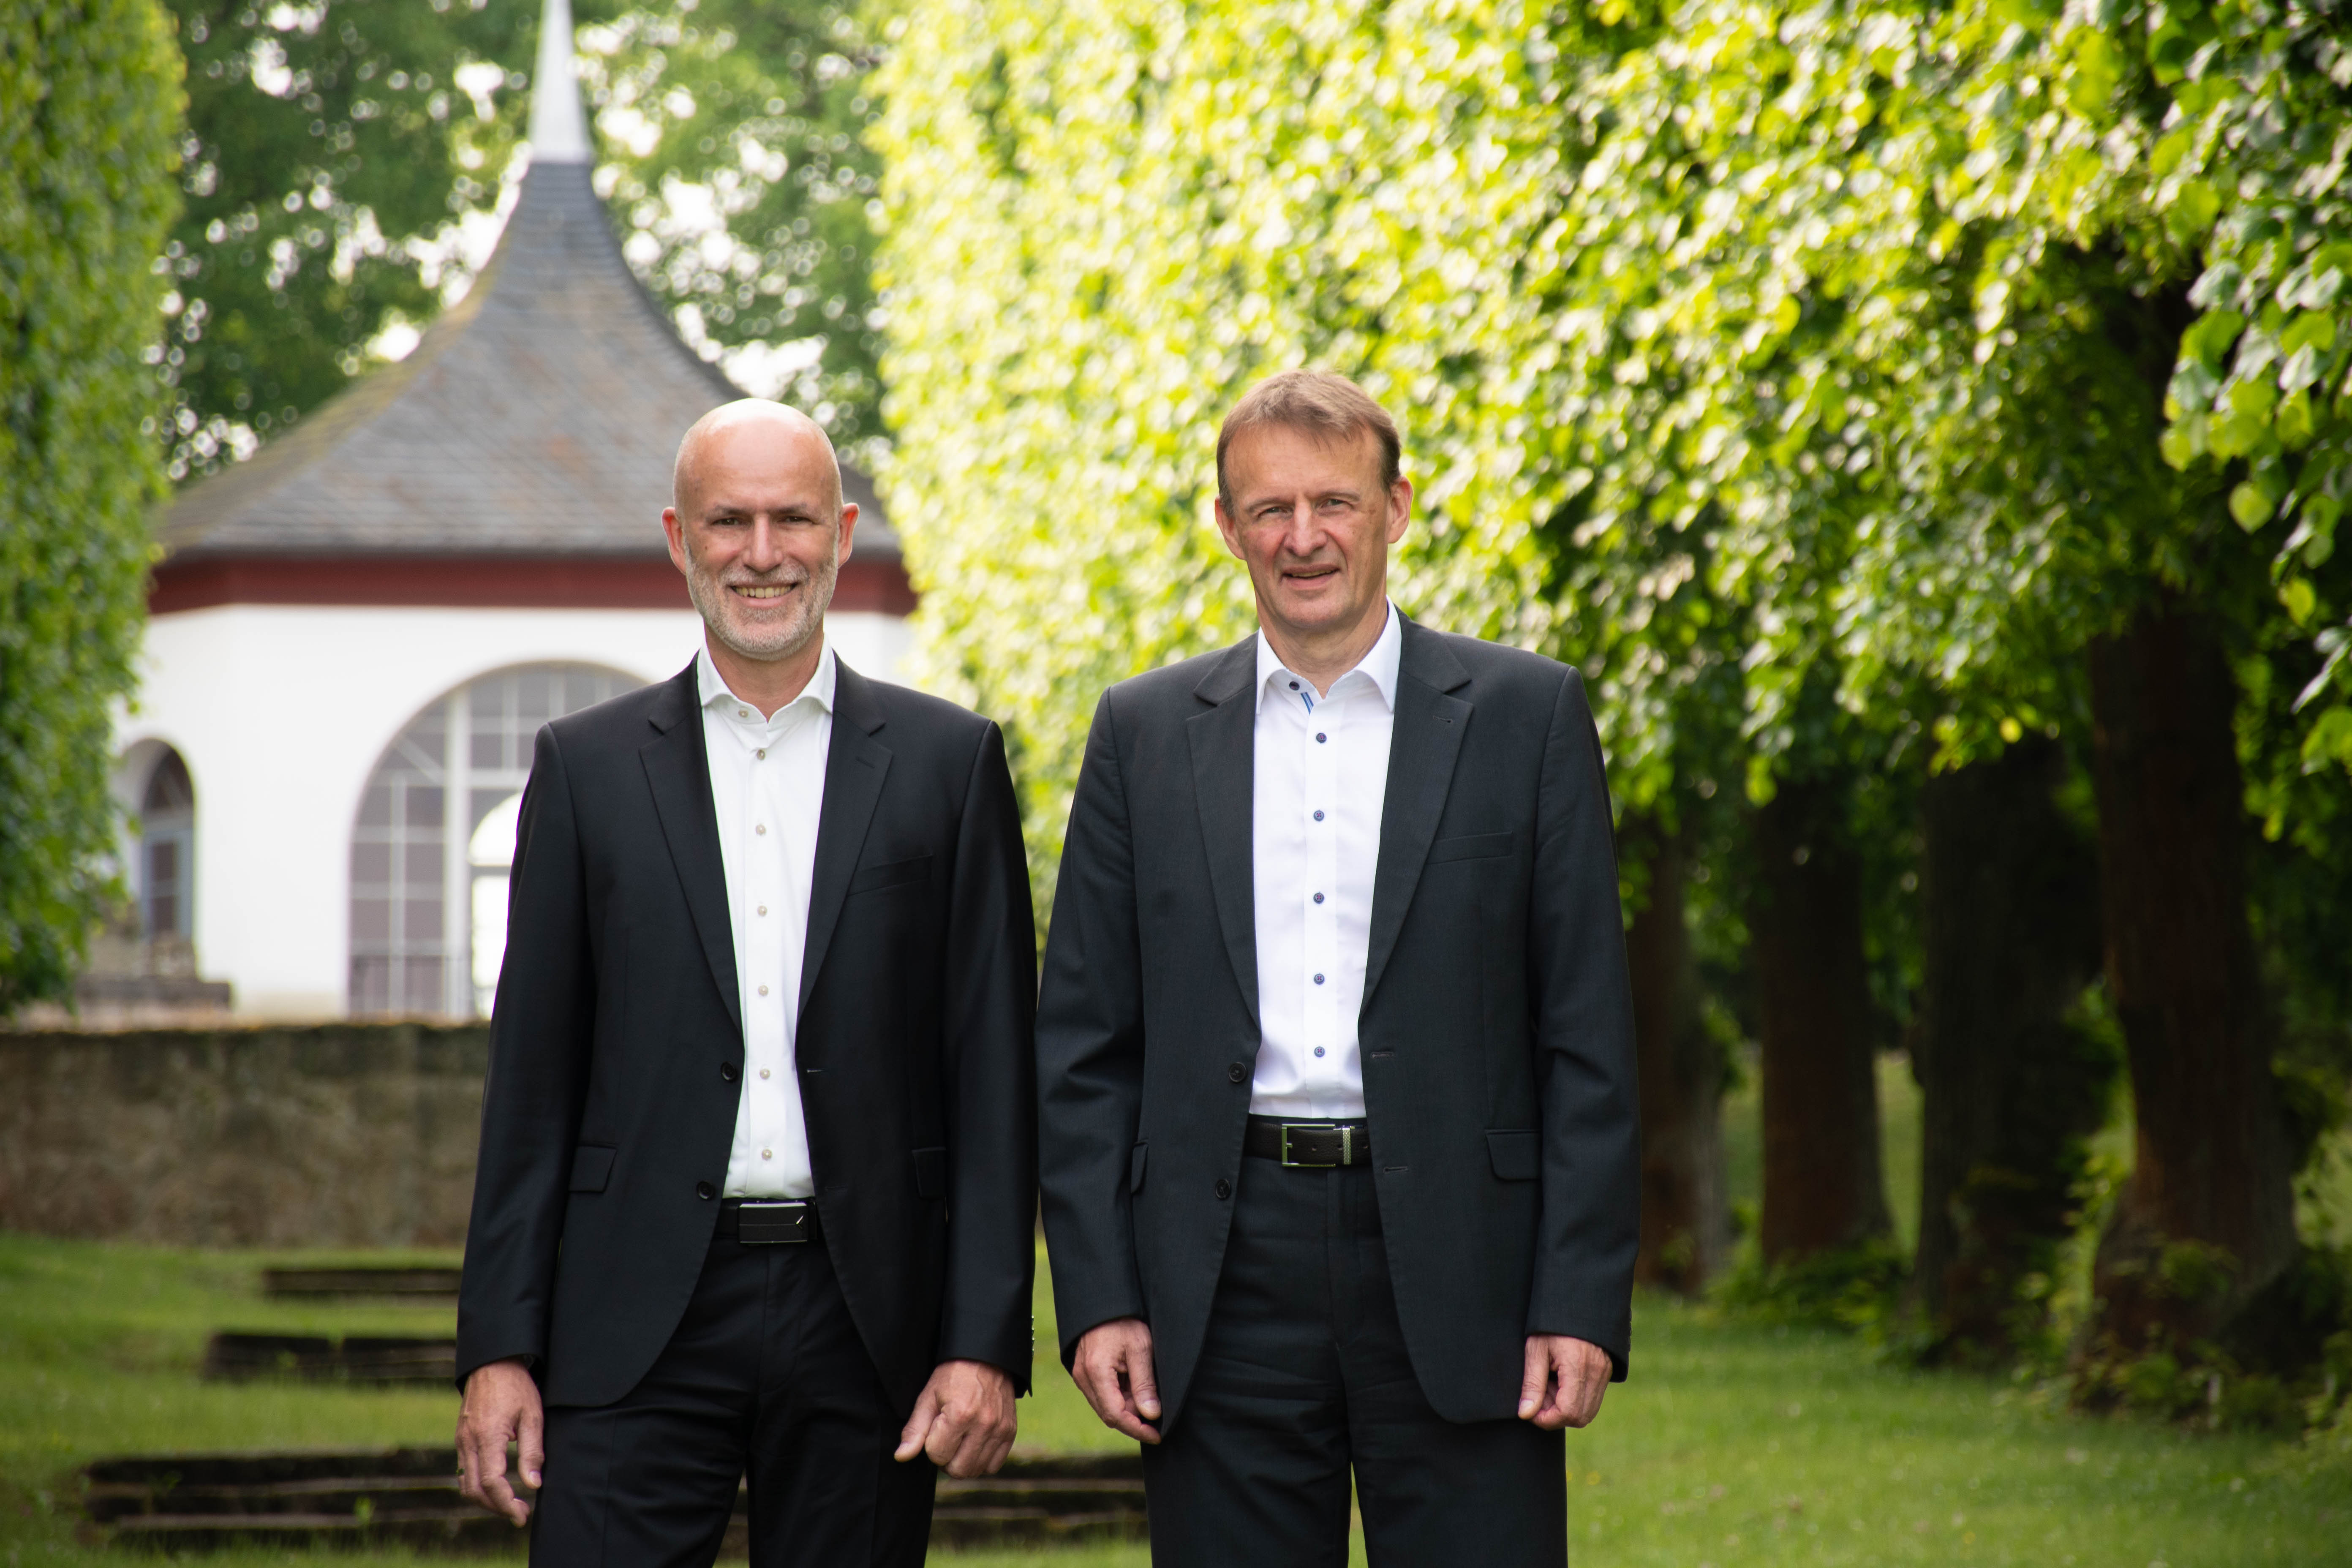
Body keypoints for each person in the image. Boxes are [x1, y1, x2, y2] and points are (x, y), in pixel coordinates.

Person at [1035, 370, 1640, 1565]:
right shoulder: (1141, 734)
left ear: (1395, 509)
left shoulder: (1527, 717)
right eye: (1270, 508)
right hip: (1222, 1272)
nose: (1302, 536)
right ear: (1228, 527)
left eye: (1335, 503)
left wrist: (1578, 1298)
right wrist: (1101, 1298)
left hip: (1470, 1262)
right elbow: (1084, 1050)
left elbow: (1586, 1039)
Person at [453, 400, 1037, 1567]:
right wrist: (498, 1347)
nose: (763, 553)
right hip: (628, 1314)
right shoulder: (585, 768)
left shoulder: (950, 764)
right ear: (680, 538)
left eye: (793, 520)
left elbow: (994, 1078)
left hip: (867, 1316)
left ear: (843, 534)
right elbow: (531, 1086)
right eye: (730, 521)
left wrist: (983, 1339)